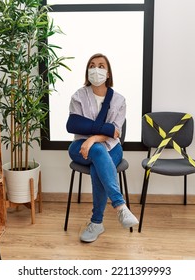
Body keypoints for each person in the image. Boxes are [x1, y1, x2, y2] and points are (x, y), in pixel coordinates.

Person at [66, 53, 139, 243]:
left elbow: (114, 133)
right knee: (98, 155)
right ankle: (120, 206)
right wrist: (103, 131)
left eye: (100, 66)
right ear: (87, 71)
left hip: (110, 148)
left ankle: (97, 222)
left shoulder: (119, 100)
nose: (95, 69)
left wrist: (92, 139)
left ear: (107, 73)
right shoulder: (79, 96)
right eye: (92, 65)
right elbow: (72, 125)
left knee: (98, 156)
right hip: (80, 147)